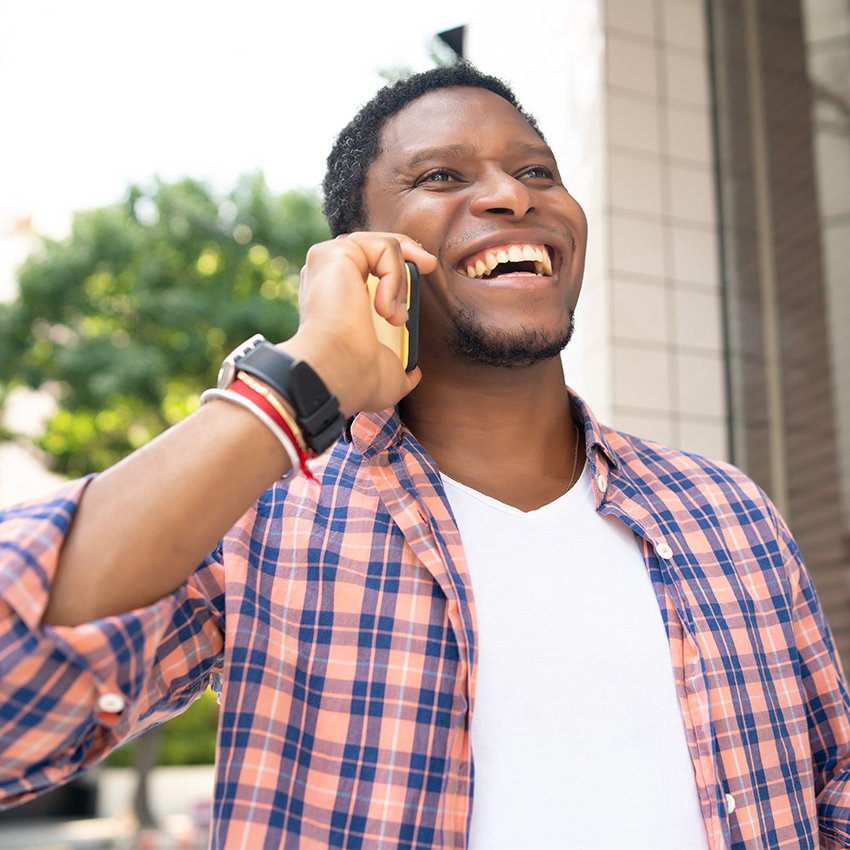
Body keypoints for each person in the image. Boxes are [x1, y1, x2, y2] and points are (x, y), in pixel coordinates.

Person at [1, 62, 849, 850]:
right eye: (443, 176)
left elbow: (833, 788)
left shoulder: (726, 509)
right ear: (363, 256)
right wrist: (301, 382)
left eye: (538, 171)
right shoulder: (261, 518)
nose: (513, 197)